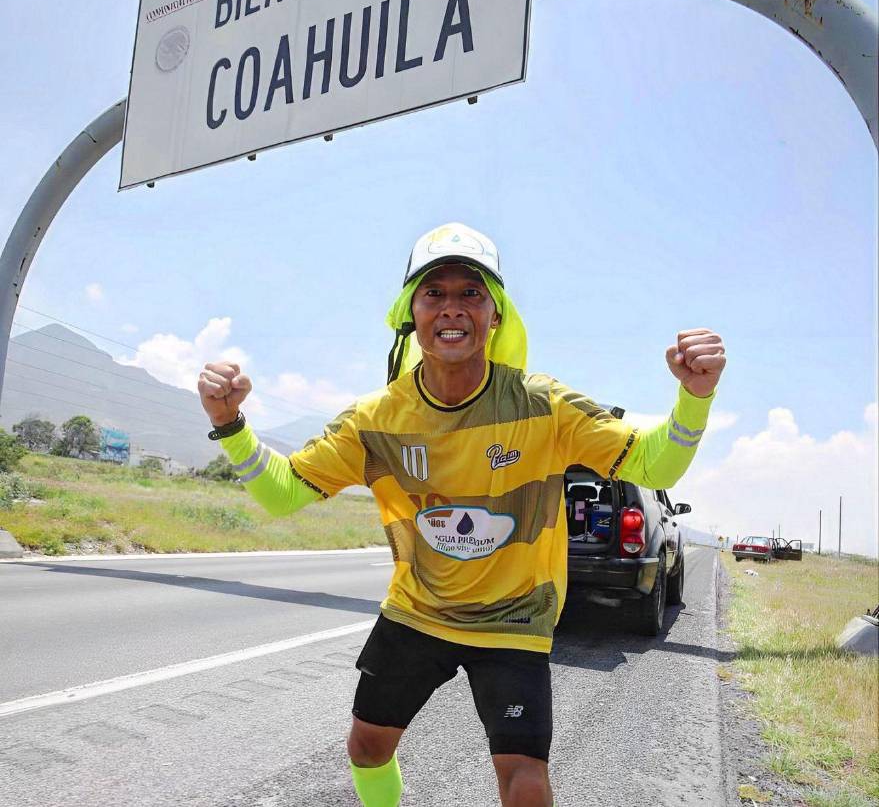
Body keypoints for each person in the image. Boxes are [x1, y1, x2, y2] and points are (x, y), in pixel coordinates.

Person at [197, 222, 726, 807]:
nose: (452, 308)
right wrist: (231, 425)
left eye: (471, 293)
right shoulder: (375, 419)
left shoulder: (542, 404)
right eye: (434, 293)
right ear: (411, 313)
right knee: (367, 748)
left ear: (495, 315)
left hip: (513, 621)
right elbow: (283, 493)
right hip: (417, 613)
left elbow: (654, 467)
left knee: (522, 778)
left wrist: (693, 397)